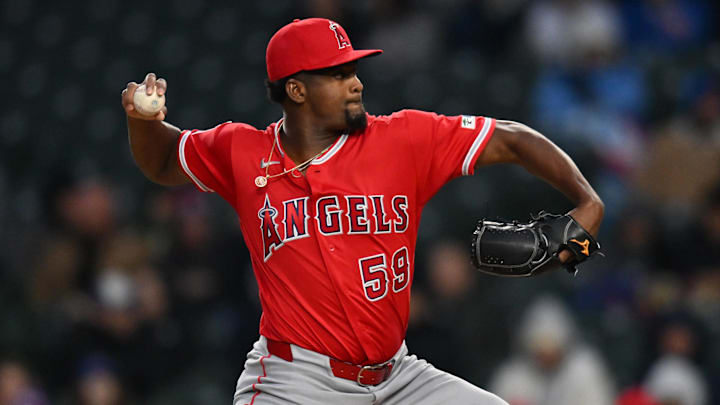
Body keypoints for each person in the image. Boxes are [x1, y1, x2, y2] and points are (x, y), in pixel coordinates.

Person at [120, 17, 603, 405]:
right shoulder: (242, 152)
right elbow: (163, 158)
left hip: (398, 377)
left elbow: (511, 139)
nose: (354, 84)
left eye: (353, 71)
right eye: (337, 74)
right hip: (297, 382)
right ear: (296, 90)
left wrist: (587, 201)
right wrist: (143, 122)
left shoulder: (402, 139)